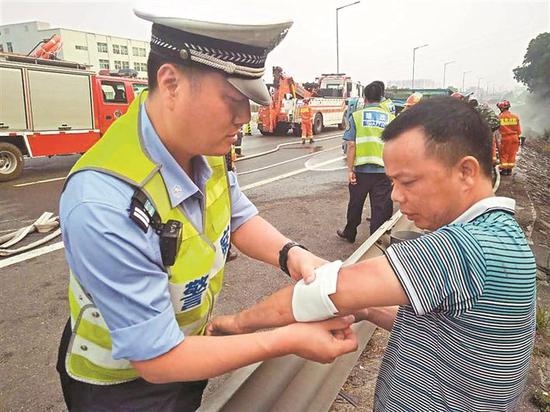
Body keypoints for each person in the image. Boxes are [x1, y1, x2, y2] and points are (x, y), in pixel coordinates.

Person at [55, 6, 358, 411]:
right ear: (171, 83)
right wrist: (287, 339)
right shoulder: (104, 203)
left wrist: (292, 255)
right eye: (232, 99)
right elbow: (157, 359)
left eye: (249, 102)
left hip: (187, 354)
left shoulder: (200, 144)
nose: (244, 118)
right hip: (123, 386)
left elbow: (236, 213)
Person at [209, 97, 537, 411]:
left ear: (466, 172)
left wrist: (238, 323)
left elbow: (318, 291)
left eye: (408, 182)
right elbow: (444, 331)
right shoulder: (502, 235)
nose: (396, 196)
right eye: (393, 181)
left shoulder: (466, 248)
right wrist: (366, 307)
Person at [337, 82, 395, 243]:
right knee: (380, 208)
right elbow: (394, 146)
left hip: (361, 171)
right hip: (383, 172)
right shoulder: (391, 118)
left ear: (365, 97)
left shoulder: (357, 116)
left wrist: (350, 170)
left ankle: (350, 233)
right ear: (381, 97)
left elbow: (351, 145)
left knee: (355, 204)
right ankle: (375, 241)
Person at [469, 99, 501, 167]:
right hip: (496, 124)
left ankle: (484, 159)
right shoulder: (483, 107)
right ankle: (492, 159)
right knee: (489, 140)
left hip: (489, 125)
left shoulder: (475, 110)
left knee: (481, 141)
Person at [497, 99, 522, 175]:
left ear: (501, 108)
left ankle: (504, 170)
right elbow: (519, 130)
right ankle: (509, 170)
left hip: (506, 138)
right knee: (512, 154)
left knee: (504, 153)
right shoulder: (515, 117)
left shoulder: (499, 117)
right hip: (515, 138)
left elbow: (497, 129)